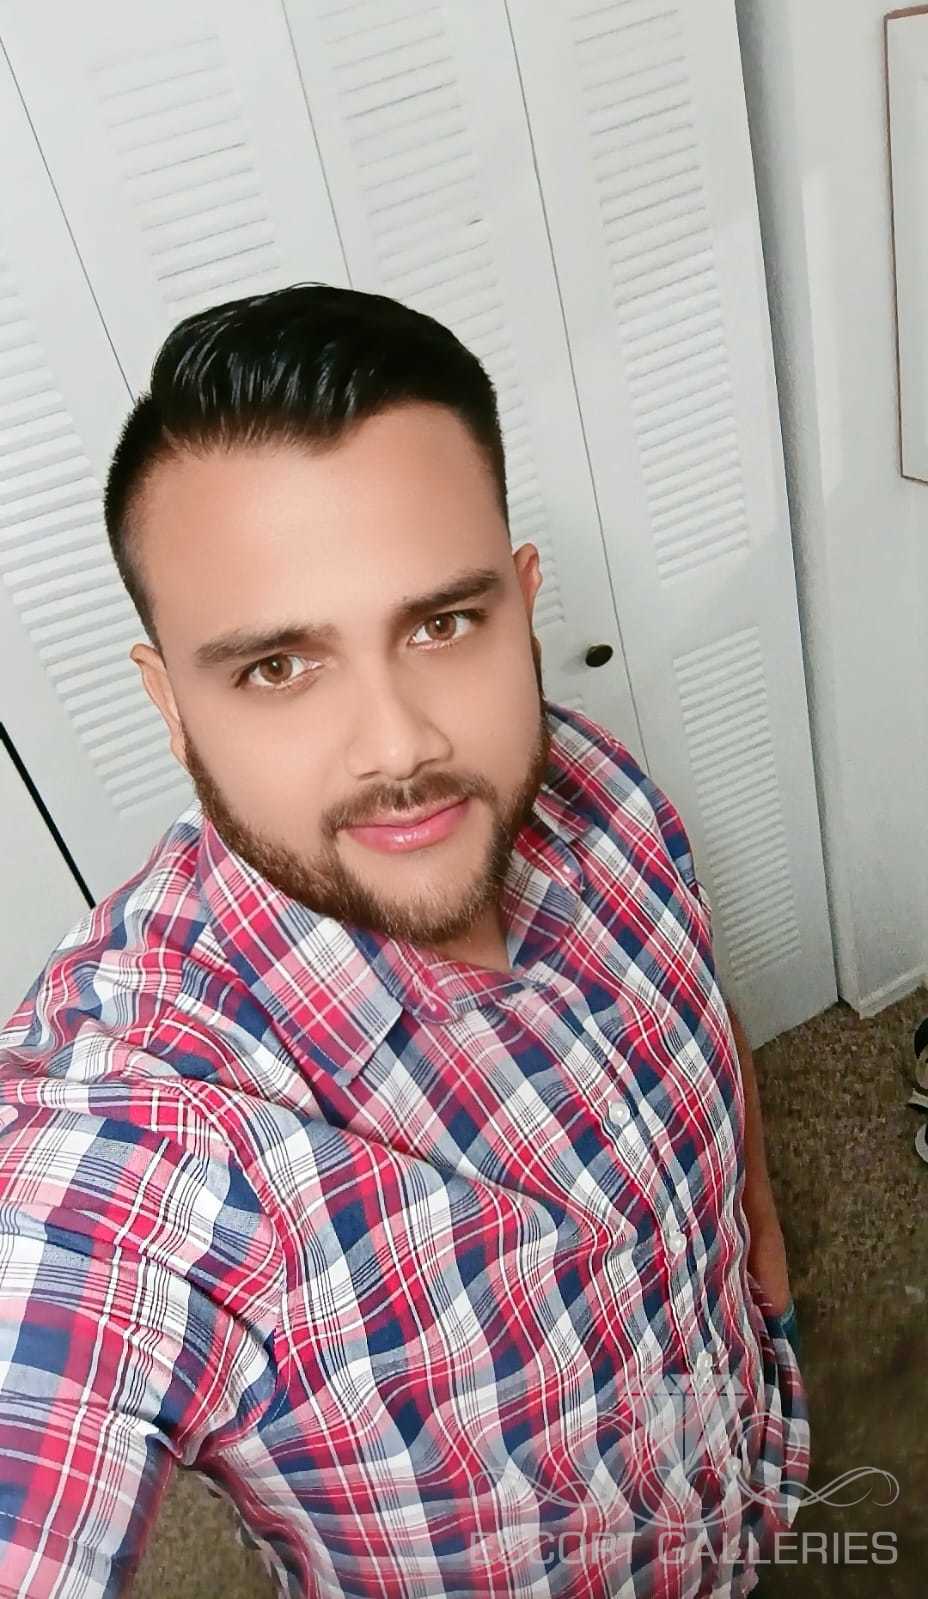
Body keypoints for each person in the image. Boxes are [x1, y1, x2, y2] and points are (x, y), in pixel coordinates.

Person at [0, 283, 807, 1599]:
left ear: (521, 605)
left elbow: (701, 1022)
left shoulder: (595, 788)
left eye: (443, 624)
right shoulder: (144, 1133)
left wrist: (757, 1230)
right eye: (277, 667)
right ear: (173, 705)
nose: (400, 747)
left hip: (753, 1470)